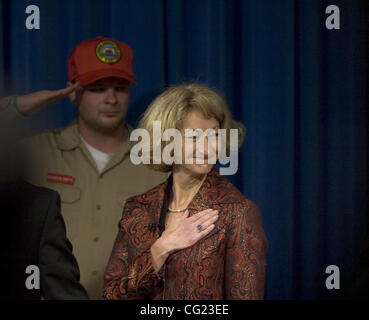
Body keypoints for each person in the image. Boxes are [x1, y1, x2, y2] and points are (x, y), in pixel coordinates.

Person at [0, 36, 167, 299]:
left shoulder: (157, 162)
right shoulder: (36, 152)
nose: (111, 99)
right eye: (97, 88)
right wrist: (23, 105)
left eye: (120, 88)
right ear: (72, 93)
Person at [102, 83, 268, 300]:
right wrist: (160, 249)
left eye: (214, 135)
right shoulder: (138, 208)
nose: (207, 147)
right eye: (193, 137)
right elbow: (109, 295)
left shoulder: (238, 212)